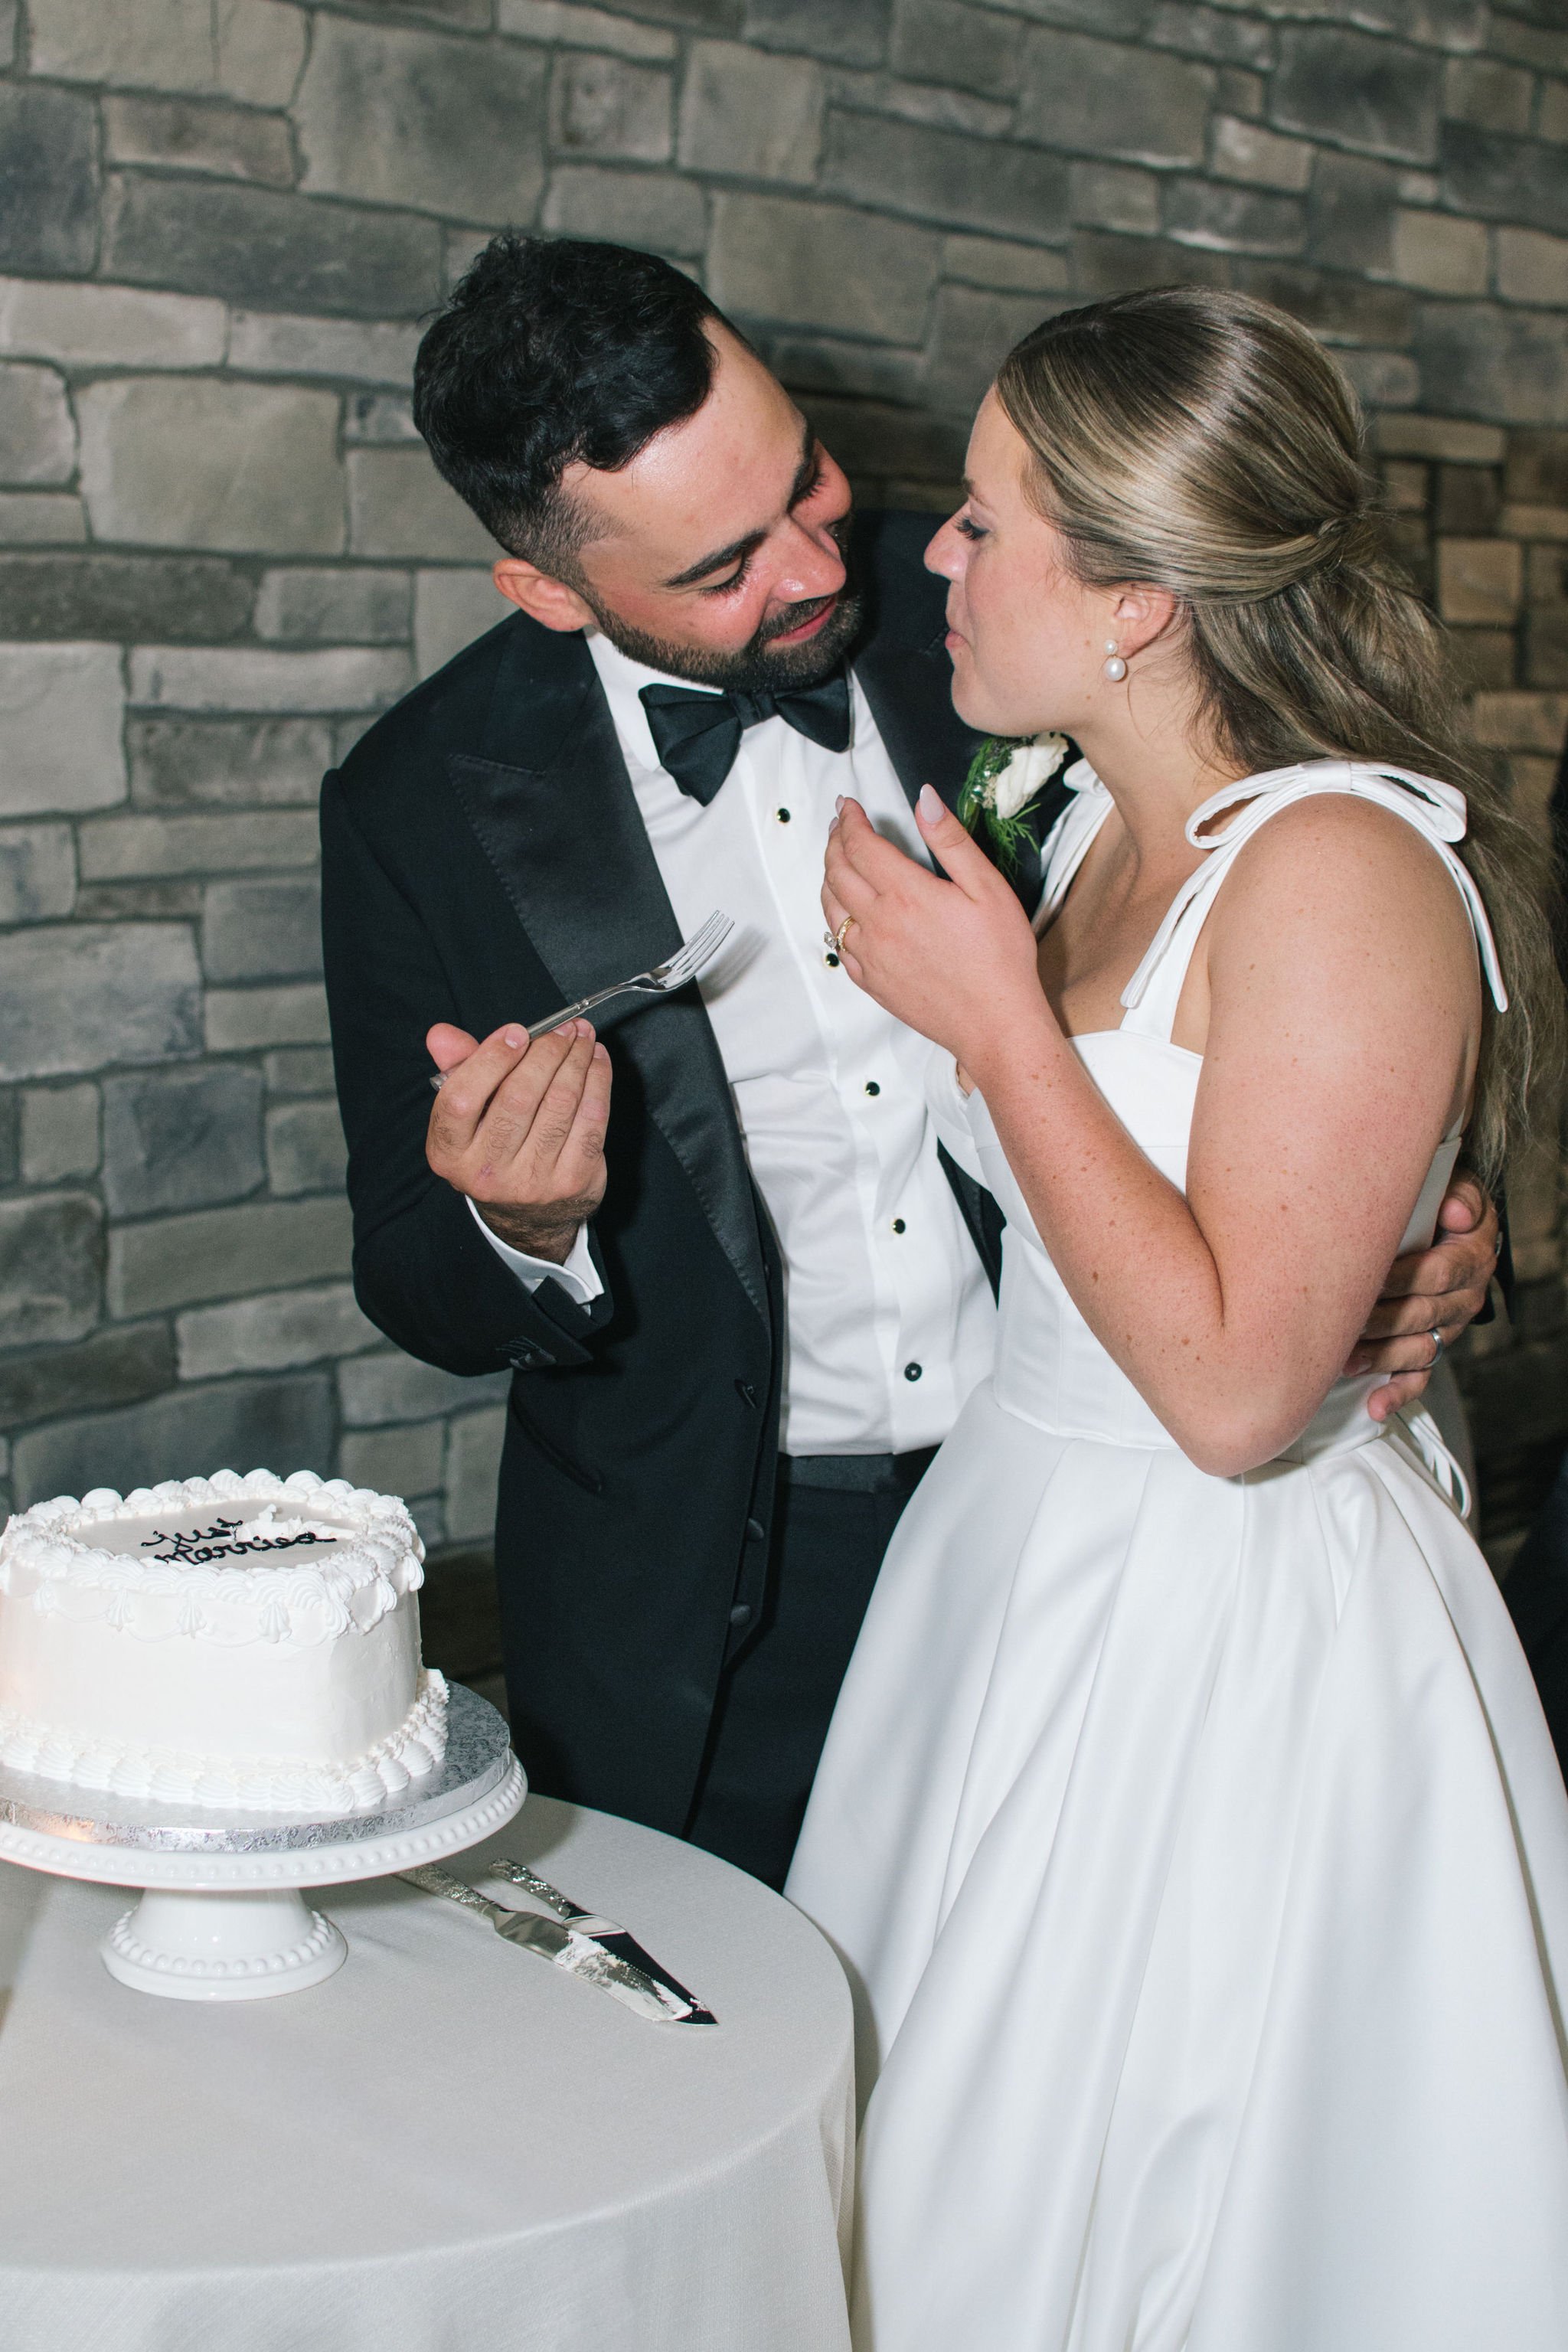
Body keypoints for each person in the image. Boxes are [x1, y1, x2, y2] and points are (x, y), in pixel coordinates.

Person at [320, 237, 1495, 1893]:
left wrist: (1407, 1219)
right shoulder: (417, 801)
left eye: (809, 477)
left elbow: (1281, 971)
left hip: (1120, 1527)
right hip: (716, 1587)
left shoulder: (1009, 604)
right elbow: (409, 1271)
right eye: (730, 563)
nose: (823, 563)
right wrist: (517, 1224)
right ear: (555, 592)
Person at [786, 286, 1568, 2347]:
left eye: (980, 519)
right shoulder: (1090, 835)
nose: (928, 558)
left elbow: (1234, 1395)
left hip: (1217, 1626)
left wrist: (998, 1034)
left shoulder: (1337, 868)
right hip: (1016, 1562)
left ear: (1137, 597)